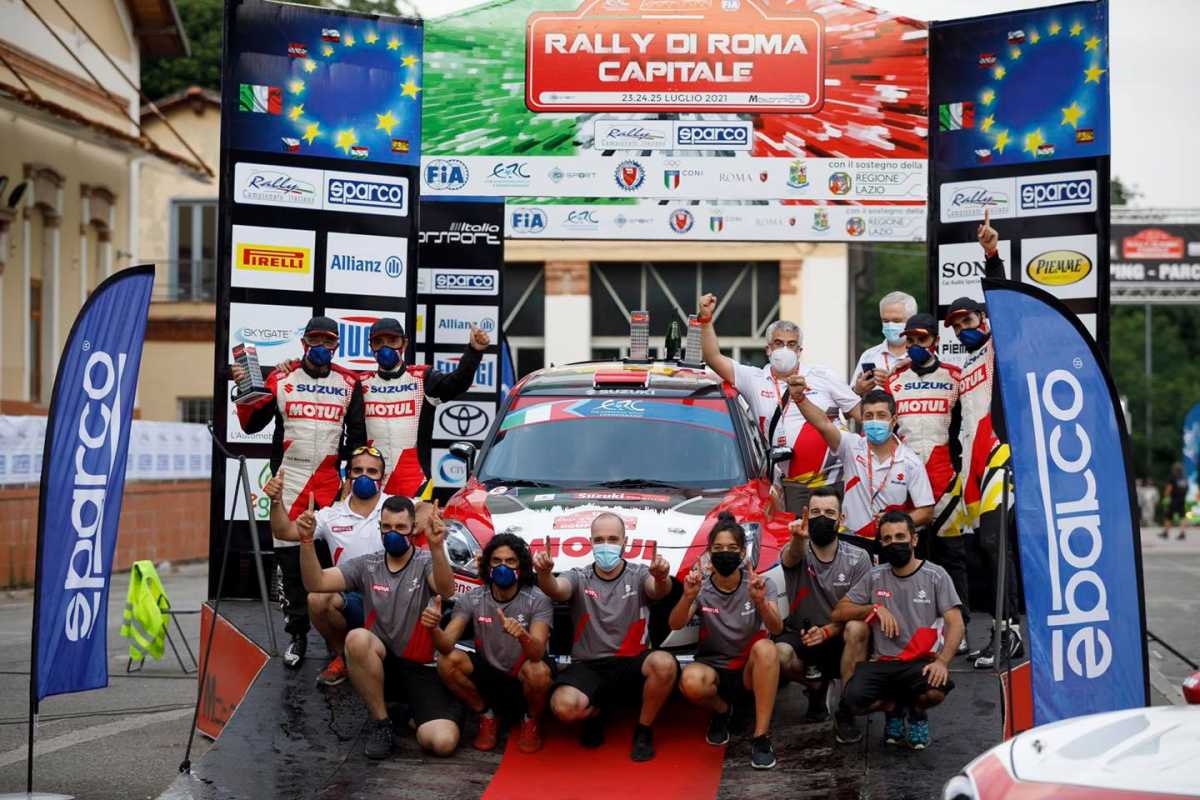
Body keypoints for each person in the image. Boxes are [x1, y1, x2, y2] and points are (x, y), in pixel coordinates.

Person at [232, 315, 365, 669]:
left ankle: (338, 638)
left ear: (337, 345)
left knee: (333, 563)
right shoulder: (281, 377)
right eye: (315, 340)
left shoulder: (349, 382)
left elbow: (357, 435)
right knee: (291, 566)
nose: (321, 346)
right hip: (290, 482)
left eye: (328, 341)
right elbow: (252, 424)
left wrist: (351, 478)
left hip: (330, 484)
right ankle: (298, 635)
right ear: (304, 343)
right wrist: (243, 387)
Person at [296, 494, 461, 760]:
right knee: (357, 639)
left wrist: (437, 546)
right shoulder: (367, 564)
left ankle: (411, 713)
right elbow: (316, 583)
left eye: (400, 527)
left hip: (422, 669)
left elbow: (446, 589)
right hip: (383, 664)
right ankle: (381, 723)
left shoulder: (426, 561)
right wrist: (306, 542)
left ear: (412, 529)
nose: (393, 533)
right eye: (387, 527)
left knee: (442, 743)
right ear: (380, 529)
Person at [946, 208, 1023, 669]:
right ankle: (994, 631)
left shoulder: (999, 344)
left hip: (999, 455)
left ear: (983, 317)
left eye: (968, 320)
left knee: (996, 544)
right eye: (956, 325)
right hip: (970, 465)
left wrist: (991, 255)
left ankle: (1011, 633)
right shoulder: (965, 365)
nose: (963, 328)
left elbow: (1003, 301)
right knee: (978, 550)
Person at [535, 512, 678, 762]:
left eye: (613, 539)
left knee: (664, 664)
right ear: (590, 542)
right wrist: (545, 574)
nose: (606, 545)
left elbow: (658, 591)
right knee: (563, 707)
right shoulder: (578, 575)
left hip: (632, 662)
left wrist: (660, 577)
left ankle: (643, 730)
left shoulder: (639, 573)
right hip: (589, 665)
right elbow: (557, 590)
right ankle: (595, 713)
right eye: (599, 539)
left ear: (625, 542)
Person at [697, 293, 860, 512]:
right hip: (787, 485)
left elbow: (860, 412)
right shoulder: (753, 379)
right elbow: (713, 358)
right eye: (778, 343)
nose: (785, 349)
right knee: (793, 532)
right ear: (768, 349)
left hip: (832, 480)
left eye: (791, 344)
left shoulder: (823, 376)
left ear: (800, 351)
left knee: (832, 532)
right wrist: (706, 320)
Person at [266, 446, 411, 686]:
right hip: (354, 602)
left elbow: (426, 512)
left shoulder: (397, 507)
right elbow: (283, 531)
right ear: (348, 475)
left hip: (394, 601)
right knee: (316, 599)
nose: (364, 477)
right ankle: (342, 656)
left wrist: (426, 514)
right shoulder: (331, 515)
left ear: (382, 477)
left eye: (372, 471)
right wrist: (275, 501)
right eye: (358, 470)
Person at [832, 511, 964, 751]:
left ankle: (917, 711)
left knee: (935, 691)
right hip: (882, 663)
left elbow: (956, 623)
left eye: (900, 536)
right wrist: (873, 608)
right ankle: (895, 707)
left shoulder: (936, 575)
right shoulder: (874, 576)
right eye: (887, 539)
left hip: (919, 661)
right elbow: (839, 611)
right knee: (853, 701)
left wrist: (942, 662)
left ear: (914, 539)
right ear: (881, 543)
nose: (894, 543)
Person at [669, 512, 784, 770]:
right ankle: (722, 712)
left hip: (748, 671)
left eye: (732, 548)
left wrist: (760, 602)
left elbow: (776, 627)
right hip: (714, 669)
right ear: (709, 552)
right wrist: (687, 597)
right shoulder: (701, 587)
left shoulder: (760, 584)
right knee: (690, 681)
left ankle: (761, 737)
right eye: (718, 548)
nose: (725, 553)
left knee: (767, 648)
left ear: (743, 552)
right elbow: (675, 624)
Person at [886, 312, 970, 653]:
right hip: (908, 480)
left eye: (921, 339)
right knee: (911, 554)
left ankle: (959, 630)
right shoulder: (894, 380)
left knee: (953, 556)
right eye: (910, 340)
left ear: (935, 340)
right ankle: (914, 628)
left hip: (945, 477)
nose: (915, 345)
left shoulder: (955, 376)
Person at [431, 534, 553, 753]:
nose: (502, 567)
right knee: (447, 661)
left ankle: (531, 720)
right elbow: (446, 645)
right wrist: (433, 628)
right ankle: (486, 716)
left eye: (510, 561)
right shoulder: (472, 598)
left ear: (521, 566)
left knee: (539, 671)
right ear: (488, 565)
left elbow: (537, 654)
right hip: (489, 675)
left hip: (522, 675)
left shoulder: (538, 599)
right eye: (496, 561)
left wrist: (522, 636)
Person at [787, 376, 934, 546]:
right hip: (851, 539)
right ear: (862, 420)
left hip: (889, 542)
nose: (875, 421)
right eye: (869, 416)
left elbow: (926, 511)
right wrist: (799, 398)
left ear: (893, 420)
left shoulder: (911, 461)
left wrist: (895, 521)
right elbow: (823, 423)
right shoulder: (850, 445)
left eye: (881, 415)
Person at [774, 486, 872, 740]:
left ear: (841, 518)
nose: (822, 518)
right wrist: (798, 538)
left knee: (858, 628)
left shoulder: (859, 558)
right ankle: (816, 687)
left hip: (841, 634)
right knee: (777, 654)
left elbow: (860, 610)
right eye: (816, 512)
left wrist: (828, 630)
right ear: (806, 515)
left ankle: (846, 710)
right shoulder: (797, 548)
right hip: (802, 635)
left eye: (830, 513)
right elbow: (791, 556)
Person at [359, 318, 490, 498]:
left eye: (392, 341)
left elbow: (457, 382)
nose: (385, 348)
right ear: (370, 346)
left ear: (404, 344)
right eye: (378, 342)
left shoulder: (423, 378)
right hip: (371, 478)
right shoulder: (362, 382)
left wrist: (474, 352)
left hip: (415, 480)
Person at [853, 291, 919, 396]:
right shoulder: (869, 355)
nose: (890, 326)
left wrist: (891, 384)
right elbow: (849, 402)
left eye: (896, 321)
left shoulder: (926, 357)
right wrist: (858, 390)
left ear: (913, 321)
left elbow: (933, 397)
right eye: (885, 321)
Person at [1164, 463, 1189, 541]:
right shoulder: (1184, 478)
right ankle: (1182, 533)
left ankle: (1166, 532)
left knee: (1168, 516)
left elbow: (1169, 488)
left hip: (1174, 499)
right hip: (1182, 499)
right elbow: (1187, 488)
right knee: (1182, 516)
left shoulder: (1173, 477)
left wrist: (1166, 496)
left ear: (1174, 469)